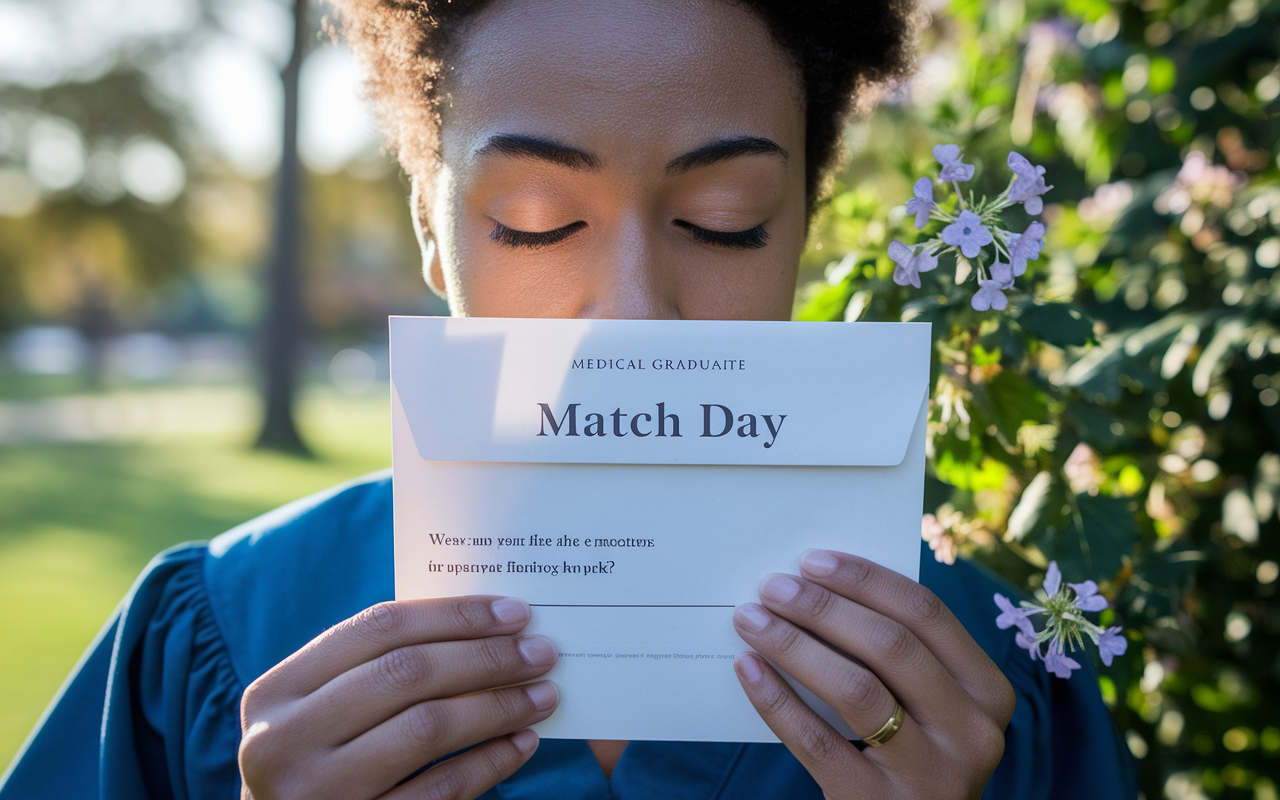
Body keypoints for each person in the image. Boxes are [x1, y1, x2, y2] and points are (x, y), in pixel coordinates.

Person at [0, 1, 1137, 798]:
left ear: (801, 222)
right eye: (536, 220)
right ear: (428, 232)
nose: (631, 317)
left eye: (725, 219)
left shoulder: (977, 681)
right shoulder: (216, 634)